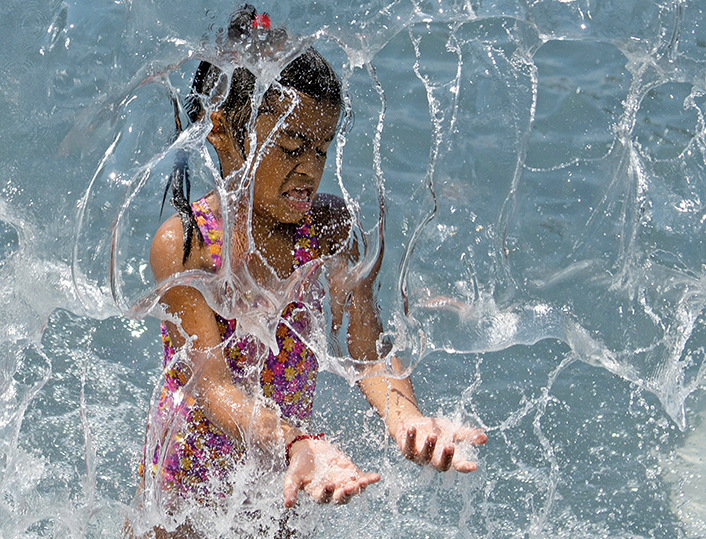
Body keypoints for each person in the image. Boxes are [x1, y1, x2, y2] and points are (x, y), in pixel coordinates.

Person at [138, 4, 487, 536]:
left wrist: (406, 419)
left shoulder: (329, 229)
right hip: (191, 475)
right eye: (292, 147)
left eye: (321, 148)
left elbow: (366, 346)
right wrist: (296, 439)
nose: (309, 168)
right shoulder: (188, 244)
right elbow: (214, 390)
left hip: (293, 466)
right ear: (224, 136)